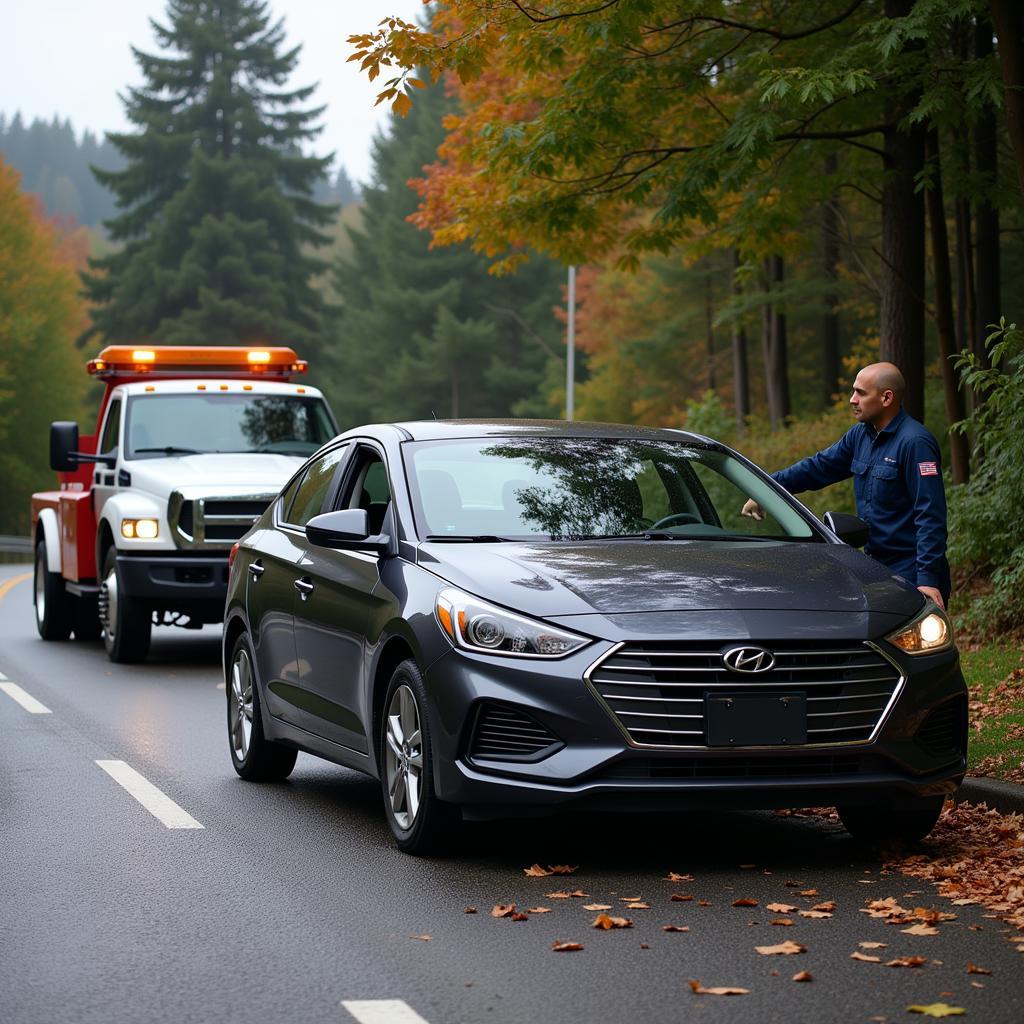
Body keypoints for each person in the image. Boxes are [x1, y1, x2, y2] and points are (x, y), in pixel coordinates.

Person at [741, 362, 951, 609]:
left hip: (912, 571)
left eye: (861, 393)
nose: (852, 399)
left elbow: (930, 515)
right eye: (853, 391)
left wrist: (926, 579)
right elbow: (816, 468)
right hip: (875, 568)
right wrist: (765, 490)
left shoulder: (915, 442)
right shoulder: (860, 436)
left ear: (886, 398)